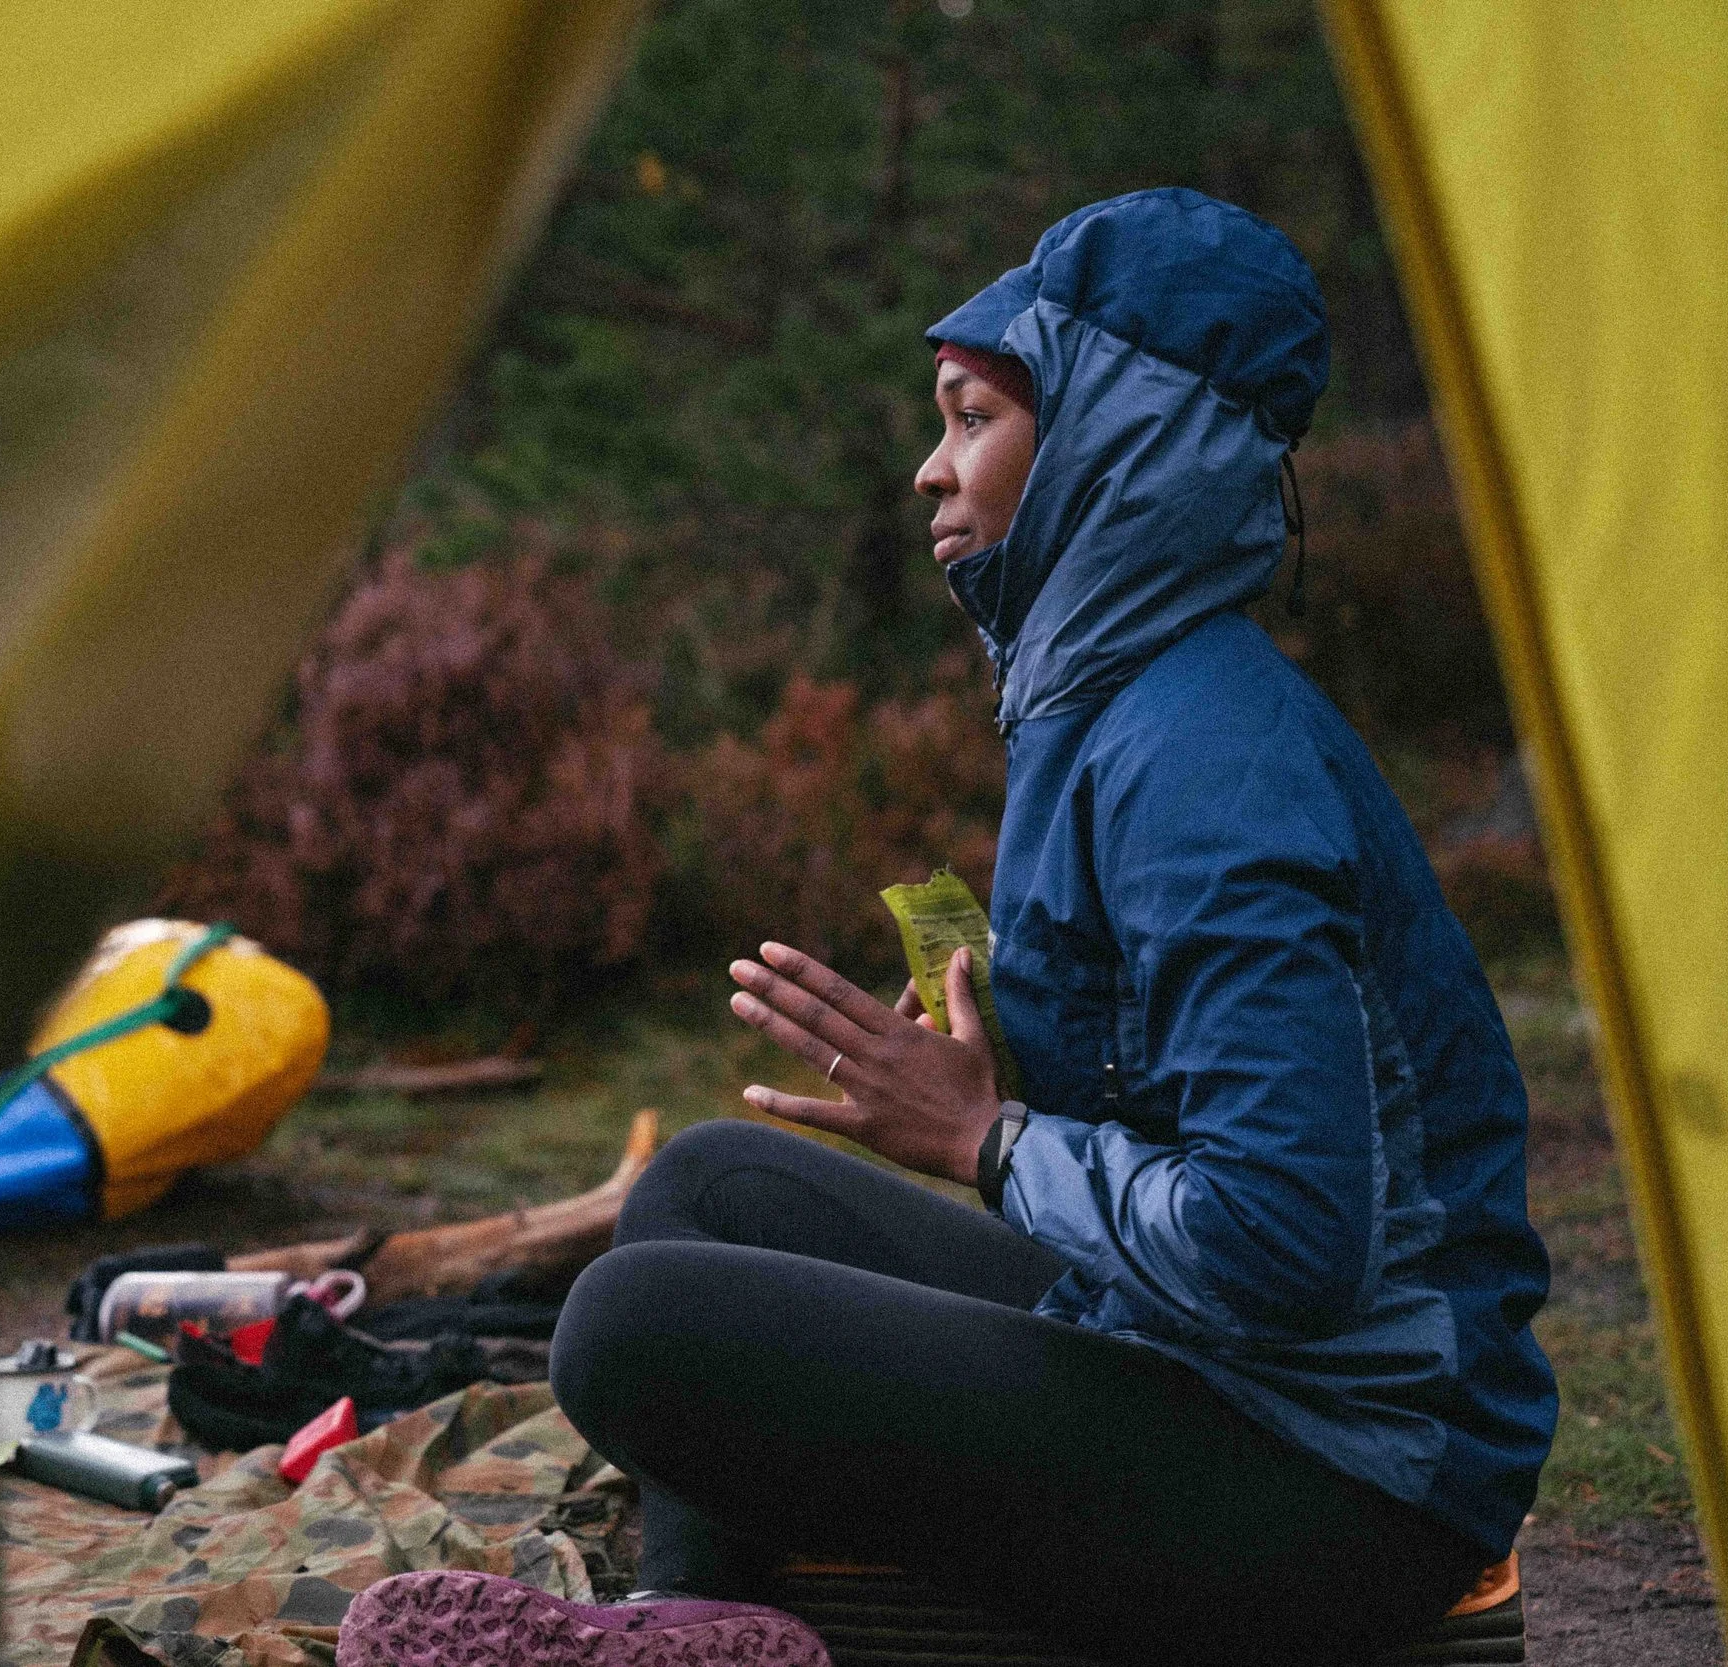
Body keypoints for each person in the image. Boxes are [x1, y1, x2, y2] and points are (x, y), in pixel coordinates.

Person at [335, 188, 1557, 1667]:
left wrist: (987, 1139)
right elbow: (1193, 1110)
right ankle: (695, 1628)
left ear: (1115, 438)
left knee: (633, 1327)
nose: (930, 468)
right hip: (1206, 1360)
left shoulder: (1205, 757)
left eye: (974, 418)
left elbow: (1285, 1237)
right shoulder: (1116, 701)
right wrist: (1010, 1058)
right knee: (708, 1187)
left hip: (1342, 1480)